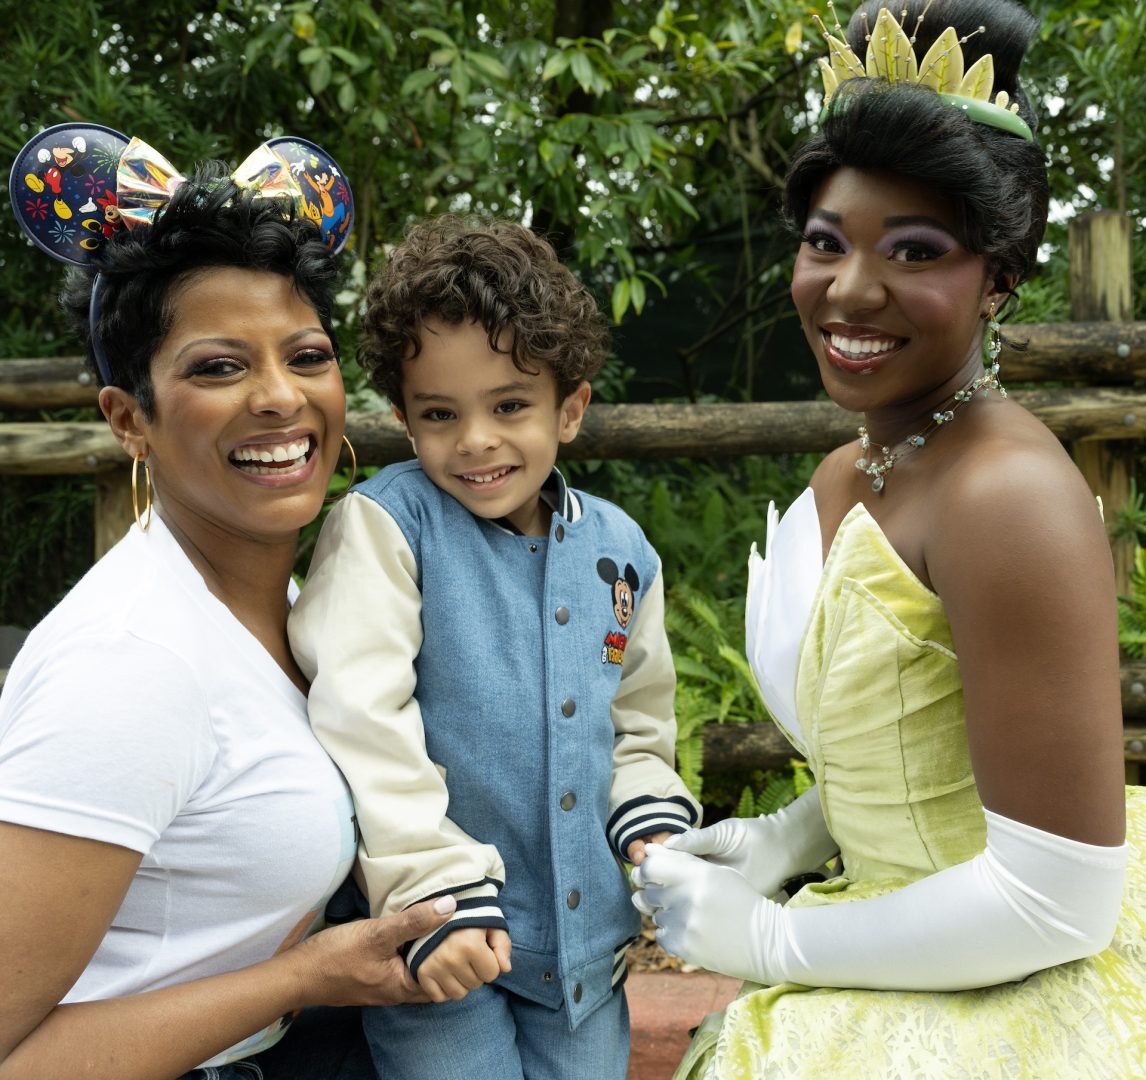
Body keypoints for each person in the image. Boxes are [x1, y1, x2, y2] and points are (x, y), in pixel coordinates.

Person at [630, 2, 1146, 1077]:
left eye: (915, 251)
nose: (851, 289)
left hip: (1002, 987)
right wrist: (795, 837)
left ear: (999, 279)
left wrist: (774, 937)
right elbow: (930, 738)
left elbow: (1058, 899)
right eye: (826, 243)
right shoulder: (850, 468)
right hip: (900, 925)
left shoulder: (1008, 496)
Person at [0, 133, 457, 1080]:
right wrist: (301, 977)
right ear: (130, 418)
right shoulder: (128, 663)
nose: (280, 397)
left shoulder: (298, 601)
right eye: (218, 368)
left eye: (307, 355)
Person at [288, 216, 702, 1079]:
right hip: (438, 944)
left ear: (572, 407)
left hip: (586, 957)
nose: (475, 440)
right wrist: (432, 886)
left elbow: (635, 725)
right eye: (440, 414)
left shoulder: (622, 554)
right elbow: (360, 719)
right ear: (404, 415)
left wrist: (653, 827)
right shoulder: (385, 527)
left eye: (510, 405)